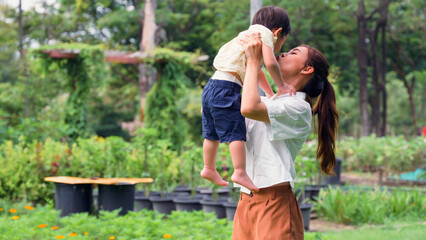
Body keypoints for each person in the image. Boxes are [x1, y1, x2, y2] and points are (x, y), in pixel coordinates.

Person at [232, 33, 339, 240]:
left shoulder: (299, 108)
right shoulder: (271, 101)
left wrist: (255, 61)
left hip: (274, 204)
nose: (283, 53)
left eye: (293, 52)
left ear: (306, 69)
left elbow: (248, 108)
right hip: (246, 200)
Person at [201, 6, 295, 192]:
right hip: (227, 89)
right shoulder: (265, 34)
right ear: (278, 32)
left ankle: (208, 167)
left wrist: (269, 93)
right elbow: (269, 64)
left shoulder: (246, 36)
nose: (279, 49)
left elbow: (256, 70)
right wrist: (282, 86)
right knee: (236, 132)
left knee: (211, 133)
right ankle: (240, 171)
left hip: (212, 86)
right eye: (282, 42)